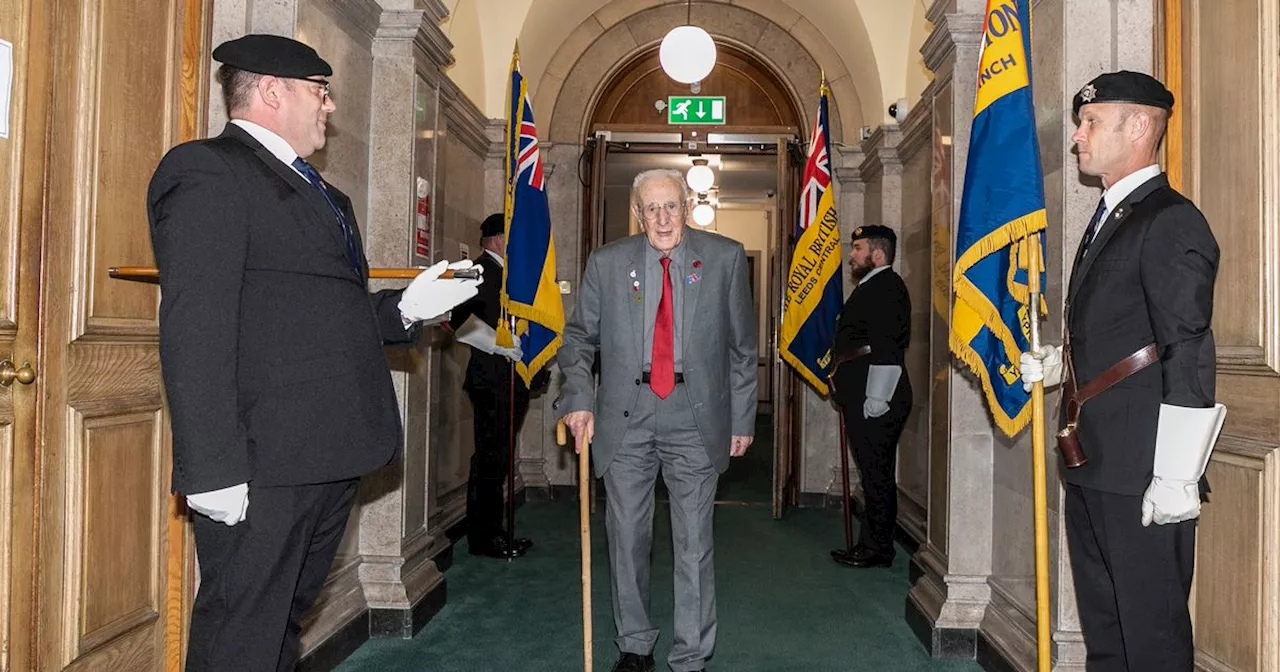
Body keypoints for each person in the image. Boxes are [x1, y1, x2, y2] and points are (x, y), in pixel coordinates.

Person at [147, 34, 480, 671]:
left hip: (327, 454)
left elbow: (328, 313)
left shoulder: (326, 194)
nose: (328, 107)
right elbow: (196, 323)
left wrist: (406, 306)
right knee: (241, 632)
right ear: (273, 91)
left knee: (281, 625)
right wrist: (211, 468)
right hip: (260, 461)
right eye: (319, 92)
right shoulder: (208, 170)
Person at [1020, 70, 1223, 671]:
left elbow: (1187, 345)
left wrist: (1178, 474)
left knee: (1151, 632)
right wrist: (1064, 365)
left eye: (1089, 123)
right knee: (1106, 629)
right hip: (1092, 455)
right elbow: (1126, 328)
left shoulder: (1170, 219)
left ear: (1139, 126)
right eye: (1080, 123)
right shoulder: (1114, 214)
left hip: (1142, 466)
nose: (1077, 137)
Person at [557, 168, 757, 672]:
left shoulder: (725, 258)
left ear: (687, 206)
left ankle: (691, 655)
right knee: (626, 537)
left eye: (671, 206)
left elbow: (741, 349)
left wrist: (742, 418)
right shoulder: (608, 263)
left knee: (693, 541)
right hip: (625, 416)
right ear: (637, 213)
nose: (663, 218)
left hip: (696, 414)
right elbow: (578, 339)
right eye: (652, 208)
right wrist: (579, 398)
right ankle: (635, 644)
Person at [448, 213, 539, 558]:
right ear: (498, 239)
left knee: (499, 459)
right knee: (489, 460)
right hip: (491, 378)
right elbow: (453, 319)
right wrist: (497, 343)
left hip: (511, 378)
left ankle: (495, 530)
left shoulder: (510, 275)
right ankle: (484, 538)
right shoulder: (474, 269)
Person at [827, 225, 912, 569]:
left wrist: (876, 399)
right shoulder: (872, 286)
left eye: (857, 248)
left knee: (876, 472)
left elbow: (887, 347)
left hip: (878, 395)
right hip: (862, 391)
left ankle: (877, 548)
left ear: (877, 254)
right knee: (873, 471)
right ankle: (873, 543)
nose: (851, 255)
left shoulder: (887, 287)